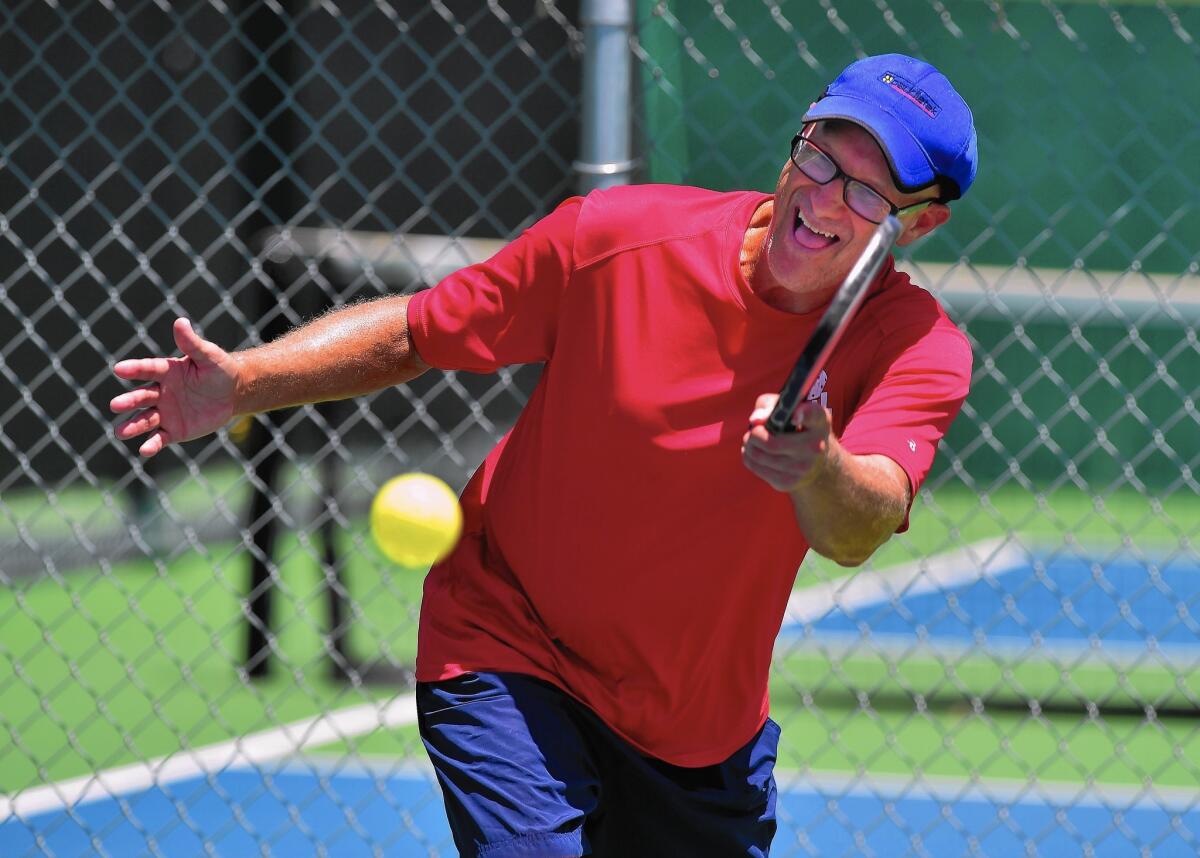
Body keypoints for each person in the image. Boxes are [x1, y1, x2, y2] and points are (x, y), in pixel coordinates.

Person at [111, 53, 976, 857]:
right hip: (508, 637)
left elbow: (859, 524)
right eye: (822, 158)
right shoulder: (617, 239)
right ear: (799, 143)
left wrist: (816, 467)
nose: (824, 199)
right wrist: (246, 383)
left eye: (869, 194)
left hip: (697, 730)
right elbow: (419, 330)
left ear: (922, 222)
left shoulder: (917, 347)